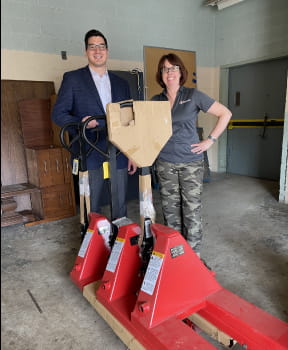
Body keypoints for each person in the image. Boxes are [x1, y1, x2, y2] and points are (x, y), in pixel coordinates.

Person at [152, 53, 232, 257]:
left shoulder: (193, 95)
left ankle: (193, 258)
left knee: (191, 212)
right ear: (160, 74)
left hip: (190, 163)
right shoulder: (155, 101)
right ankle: (176, 255)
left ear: (181, 72)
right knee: (170, 213)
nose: (169, 72)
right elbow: (147, 129)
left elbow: (226, 113)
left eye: (173, 68)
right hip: (165, 162)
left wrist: (210, 140)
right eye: (165, 69)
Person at [52, 29, 137, 218]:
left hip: (119, 151)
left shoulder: (121, 83)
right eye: (92, 47)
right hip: (90, 151)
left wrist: (132, 152)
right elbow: (58, 114)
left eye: (101, 46)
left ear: (107, 50)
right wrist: (80, 123)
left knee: (120, 206)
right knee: (91, 206)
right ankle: (93, 242)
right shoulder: (73, 79)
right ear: (85, 51)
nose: (97, 51)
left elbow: (130, 120)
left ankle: (119, 244)